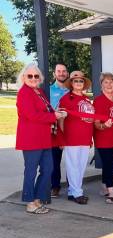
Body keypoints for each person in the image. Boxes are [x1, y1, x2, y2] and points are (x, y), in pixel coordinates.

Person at [16, 63, 62, 214]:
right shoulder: (24, 93)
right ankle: (30, 202)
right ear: (24, 77)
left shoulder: (39, 92)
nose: (34, 78)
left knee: (48, 169)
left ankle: (37, 198)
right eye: (30, 76)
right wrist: (53, 116)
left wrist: (55, 112)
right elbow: (32, 115)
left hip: (44, 138)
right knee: (31, 171)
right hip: (31, 139)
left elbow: (46, 110)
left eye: (36, 76)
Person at [58, 71, 94, 205]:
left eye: (81, 81)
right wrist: (62, 137)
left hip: (85, 138)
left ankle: (73, 191)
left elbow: (89, 119)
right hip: (71, 137)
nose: (78, 83)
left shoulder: (86, 99)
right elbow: (60, 119)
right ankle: (77, 193)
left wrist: (90, 138)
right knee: (73, 166)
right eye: (75, 81)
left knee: (81, 166)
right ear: (71, 83)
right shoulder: (66, 98)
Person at [93, 73, 113, 204]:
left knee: (109, 164)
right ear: (101, 85)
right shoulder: (98, 101)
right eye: (106, 82)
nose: (109, 84)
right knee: (109, 164)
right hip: (103, 139)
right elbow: (96, 123)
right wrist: (104, 125)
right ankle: (111, 192)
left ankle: (104, 186)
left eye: (111, 82)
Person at [49, 63, 69, 198]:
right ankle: (55, 186)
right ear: (54, 73)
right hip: (55, 130)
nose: (61, 73)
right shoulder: (48, 90)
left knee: (72, 160)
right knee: (54, 160)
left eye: (64, 71)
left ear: (67, 73)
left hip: (71, 129)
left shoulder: (71, 90)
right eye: (59, 71)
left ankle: (72, 187)